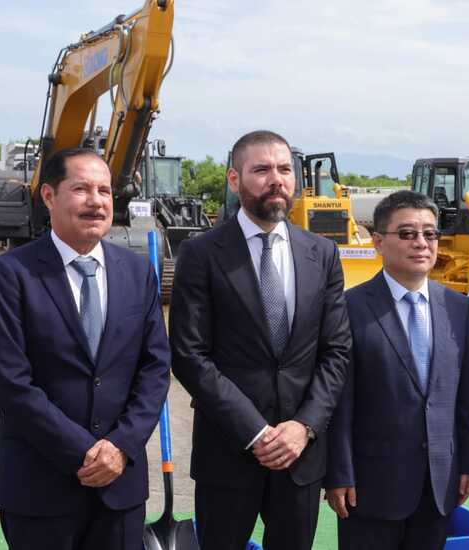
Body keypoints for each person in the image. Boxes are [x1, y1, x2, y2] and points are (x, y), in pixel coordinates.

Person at [0, 148, 170, 550]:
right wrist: (84, 452)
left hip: (121, 488)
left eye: (104, 190)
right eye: (81, 189)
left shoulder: (137, 272)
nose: (96, 201)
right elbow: (7, 380)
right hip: (40, 486)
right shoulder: (12, 274)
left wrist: (120, 447)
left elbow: (154, 370)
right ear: (49, 196)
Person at [169, 130, 351, 550]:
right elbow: (190, 355)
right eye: (262, 169)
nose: (277, 179)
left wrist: (303, 427)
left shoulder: (321, 254)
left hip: (300, 455)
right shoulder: (201, 254)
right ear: (234, 180)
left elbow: (336, 350)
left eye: (285, 169)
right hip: (229, 453)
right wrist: (255, 432)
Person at [325, 190, 469, 549]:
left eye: (430, 233)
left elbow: (463, 395)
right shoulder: (348, 308)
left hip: (438, 484)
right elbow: (339, 401)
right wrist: (339, 472)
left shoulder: (458, 308)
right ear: (378, 241)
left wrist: (467, 461)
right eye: (407, 233)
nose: (421, 243)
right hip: (370, 486)